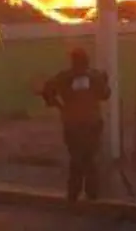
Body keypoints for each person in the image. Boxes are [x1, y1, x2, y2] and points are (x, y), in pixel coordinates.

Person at [40, 47, 111, 203]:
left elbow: (46, 90)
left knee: (76, 157)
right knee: (90, 157)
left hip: (72, 123)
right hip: (92, 122)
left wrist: (58, 105)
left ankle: (74, 192)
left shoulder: (64, 77)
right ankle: (92, 192)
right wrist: (104, 81)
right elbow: (105, 94)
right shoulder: (95, 76)